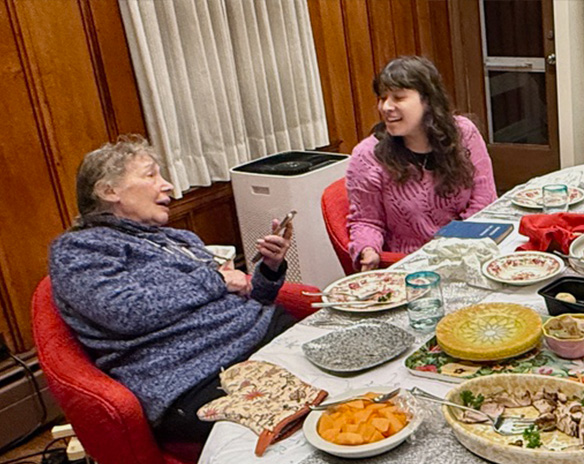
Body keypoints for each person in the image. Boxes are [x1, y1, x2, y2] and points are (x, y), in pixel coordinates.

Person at [48, 135, 295, 444]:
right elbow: (125, 312)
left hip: (265, 337)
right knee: (314, 419)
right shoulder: (80, 249)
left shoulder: (179, 240)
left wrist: (270, 269)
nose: (168, 186)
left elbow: (252, 301)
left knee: (355, 367)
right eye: (151, 175)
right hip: (194, 378)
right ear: (108, 191)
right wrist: (216, 280)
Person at [346, 55, 498, 271]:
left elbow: (484, 199)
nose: (386, 107)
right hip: (413, 267)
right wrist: (367, 249)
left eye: (398, 98)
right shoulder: (367, 155)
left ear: (427, 101)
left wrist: (456, 248)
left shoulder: (463, 133)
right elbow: (366, 221)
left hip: (471, 251)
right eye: (382, 98)